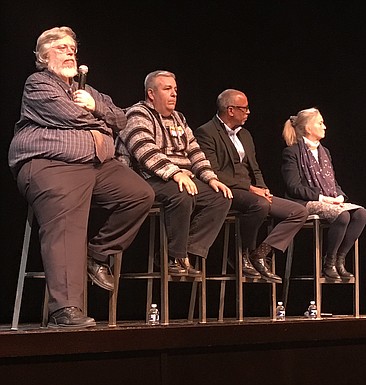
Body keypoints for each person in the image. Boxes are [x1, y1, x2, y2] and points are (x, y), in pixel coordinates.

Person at [7, 26, 155, 328]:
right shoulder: (38, 84)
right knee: (66, 219)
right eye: (62, 48)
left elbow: (121, 118)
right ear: (43, 55)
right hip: (50, 164)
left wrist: (96, 106)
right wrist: (99, 128)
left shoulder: (87, 91)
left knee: (140, 195)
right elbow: (70, 116)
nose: (70, 53)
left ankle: (96, 255)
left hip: (94, 165)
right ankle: (64, 309)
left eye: (73, 49)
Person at [116, 70, 232, 276]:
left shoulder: (179, 118)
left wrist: (210, 177)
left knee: (220, 197)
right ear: (151, 94)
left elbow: (195, 151)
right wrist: (175, 173)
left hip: (181, 176)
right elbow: (144, 149)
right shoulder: (137, 114)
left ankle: (187, 250)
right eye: (167, 89)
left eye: (175, 90)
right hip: (146, 177)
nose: (174, 94)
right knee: (182, 195)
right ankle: (171, 256)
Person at [194, 89, 308, 283]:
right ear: (230, 110)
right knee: (259, 205)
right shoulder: (206, 132)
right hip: (225, 190)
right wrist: (250, 188)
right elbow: (212, 172)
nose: (248, 113)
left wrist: (264, 189)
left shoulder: (245, 135)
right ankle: (242, 254)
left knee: (298, 212)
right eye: (244, 109)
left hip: (251, 191)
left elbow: (255, 169)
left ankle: (260, 253)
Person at [280, 108, 366, 279]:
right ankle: (329, 262)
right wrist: (322, 198)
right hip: (304, 202)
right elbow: (293, 187)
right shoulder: (292, 152)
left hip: (327, 200)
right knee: (342, 216)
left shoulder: (324, 152)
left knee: (361, 214)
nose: (325, 126)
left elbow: (333, 182)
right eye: (320, 123)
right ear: (307, 128)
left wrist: (340, 195)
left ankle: (339, 259)